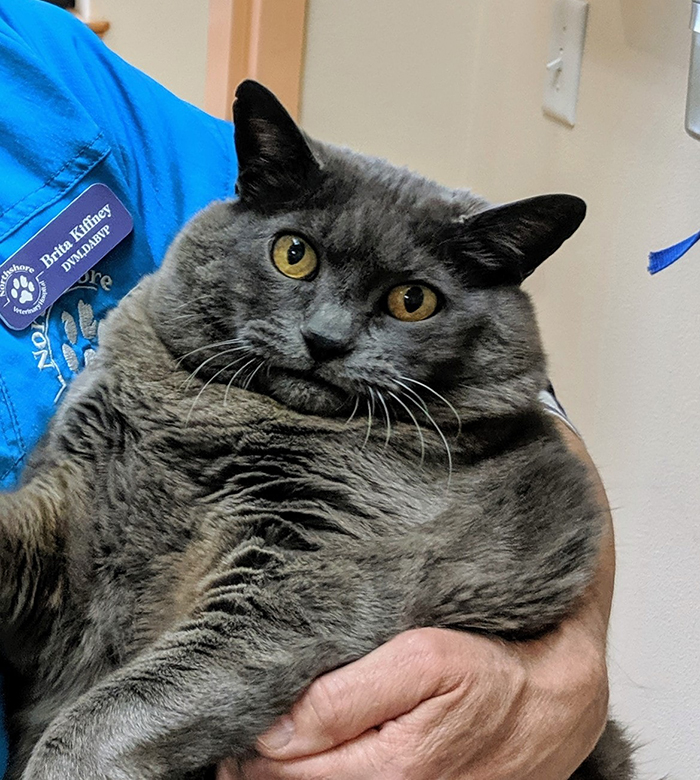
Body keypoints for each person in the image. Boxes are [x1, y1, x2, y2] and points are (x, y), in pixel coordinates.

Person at [0, 1, 613, 777]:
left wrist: (564, 675)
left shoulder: (43, 59)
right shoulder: (165, 345)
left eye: (408, 302)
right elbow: (55, 574)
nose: (326, 333)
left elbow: (294, 608)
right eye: (296, 260)